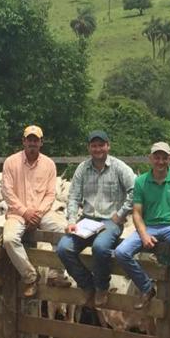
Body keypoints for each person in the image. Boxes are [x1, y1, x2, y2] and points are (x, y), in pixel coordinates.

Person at [114, 141, 170, 314]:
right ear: (150, 159)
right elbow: (137, 212)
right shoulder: (141, 181)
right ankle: (147, 287)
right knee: (121, 252)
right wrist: (144, 234)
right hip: (150, 226)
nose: (160, 161)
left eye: (164, 158)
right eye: (157, 157)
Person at [56, 130, 135, 307]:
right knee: (63, 248)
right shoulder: (82, 169)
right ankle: (87, 285)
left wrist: (121, 213)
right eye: (94, 145)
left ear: (108, 146)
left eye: (101, 145)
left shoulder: (119, 167)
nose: (97, 149)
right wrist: (70, 221)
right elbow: (74, 196)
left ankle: (101, 287)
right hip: (87, 220)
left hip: (110, 221)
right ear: (89, 148)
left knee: (100, 247)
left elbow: (135, 190)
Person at [1, 125, 60, 297]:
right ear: (23, 141)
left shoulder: (49, 164)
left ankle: (56, 273)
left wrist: (38, 213)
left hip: (42, 212)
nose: (32, 143)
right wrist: (25, 212)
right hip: (17, 213)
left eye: (36, 140)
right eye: (29, 139)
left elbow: (51, 194)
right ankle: (30, 276)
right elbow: (7, 191)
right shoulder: (11, 162)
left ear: (41, 143)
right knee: (10, 239)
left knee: (62, 231)